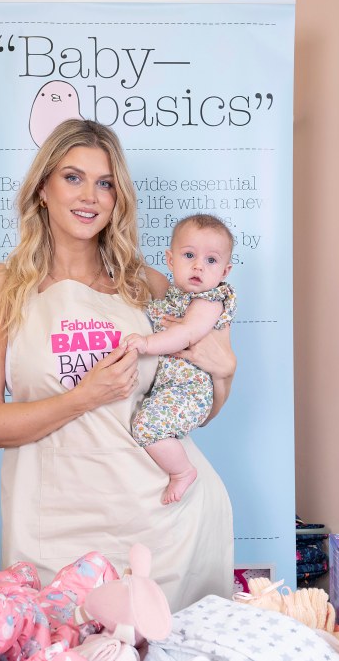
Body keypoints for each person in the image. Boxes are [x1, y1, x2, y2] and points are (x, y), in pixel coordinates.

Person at [0, 119, 236, 611]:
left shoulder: (147, 287)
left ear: (118, 198)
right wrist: (84, 395)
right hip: (51, 531)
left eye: (105, 183)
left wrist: (224, 373)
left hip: (162, 527)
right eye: (73, 177)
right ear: (42, 187)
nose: (90, 195)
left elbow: (193, 407)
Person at [123, 214, 237, 505]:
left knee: (147, 426)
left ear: (225, 271)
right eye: (189, 255)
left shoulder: (209, 300)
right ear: (171, 260)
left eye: (211, 261)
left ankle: (182, 471)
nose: (199, 265)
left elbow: (186, 333)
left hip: (190, 391)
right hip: (171, 387)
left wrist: (147, 343)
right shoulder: (173, 293)